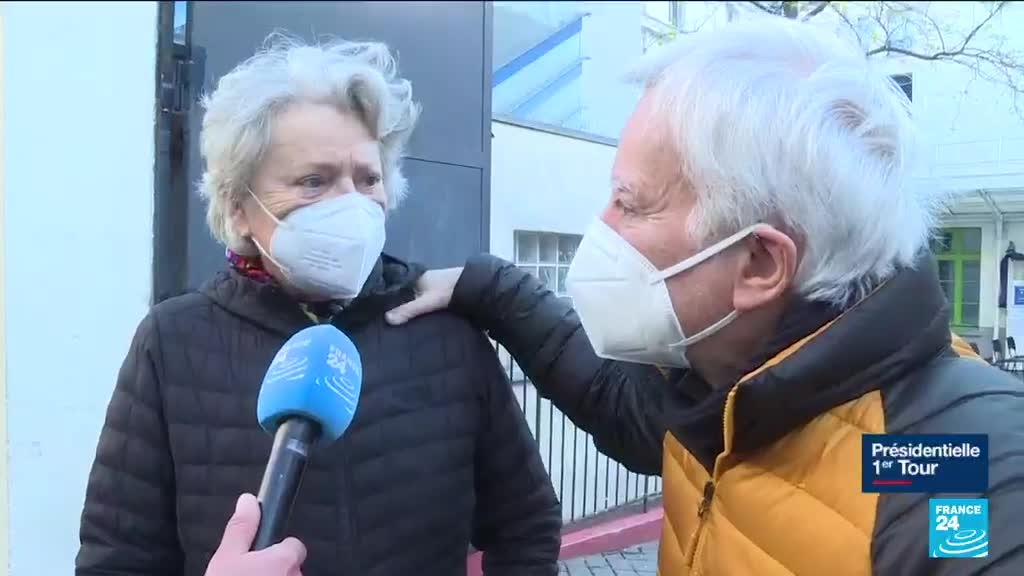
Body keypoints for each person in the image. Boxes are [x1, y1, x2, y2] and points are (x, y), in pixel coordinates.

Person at [385, 14, 1024, 576]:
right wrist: (486, 287)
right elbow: (610, 395)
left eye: (630, 204)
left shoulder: (964, 466)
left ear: (759, 263)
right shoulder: (716, 379)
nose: (600, 226)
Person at [75, 34, 562, 576]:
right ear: (238, 208)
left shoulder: (444, 331)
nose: (351, 204)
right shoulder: (172, 343)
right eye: (313, 181)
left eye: (368, 178)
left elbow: (526, 523)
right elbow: (117, 559)